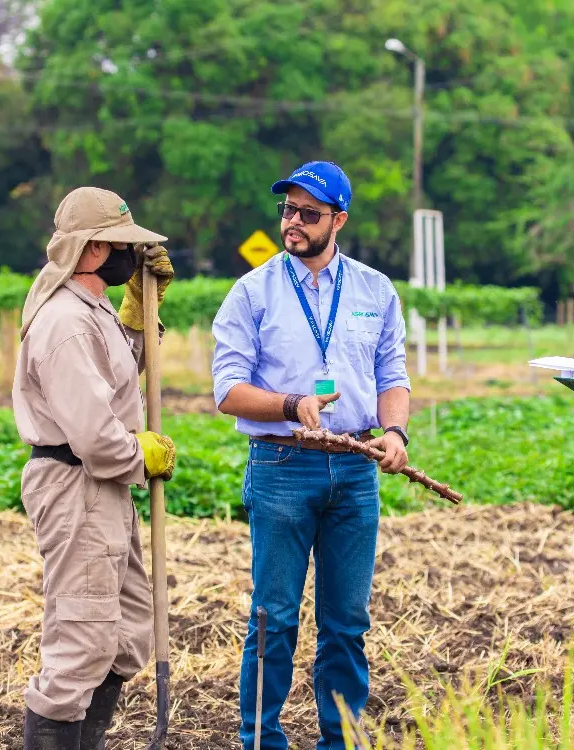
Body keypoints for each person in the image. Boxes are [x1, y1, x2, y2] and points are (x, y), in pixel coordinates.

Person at [211, 161, 413, 750]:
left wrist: (395, 432)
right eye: (287, 211)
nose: (292, 223)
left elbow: (391, 374)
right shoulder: (252, 291)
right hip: (281, 466)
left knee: (346, 625)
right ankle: (261, 740)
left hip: (354, 469)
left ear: (339, 220)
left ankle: (342, 740)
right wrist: (290, 402)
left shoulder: (376, 291)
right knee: (272, 618)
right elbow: (227, 389)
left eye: (308, 214)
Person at [13, 186, 179, 749]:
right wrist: (142, 454)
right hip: (77, 481)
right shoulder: (63, 322)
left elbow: (117, 374)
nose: (131, 256)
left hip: (103, 486)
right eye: (121, 248)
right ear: (90, 250)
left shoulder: (95, 308)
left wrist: (138, 311)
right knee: (81, 640)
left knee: (128, 632)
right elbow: (93, 435)